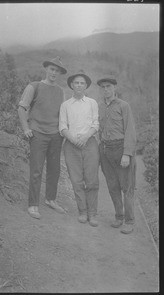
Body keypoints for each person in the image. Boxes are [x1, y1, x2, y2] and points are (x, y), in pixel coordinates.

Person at [18, 56, 67, 219]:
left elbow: (63, 115)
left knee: (54, 169)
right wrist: (26, 128)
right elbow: (21, 108)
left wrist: (63, 132)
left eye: (57, 71)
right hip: (38, 133)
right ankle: (33, 205)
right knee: (36, 170)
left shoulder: (61, 91)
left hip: (55, 135)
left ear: (60, 73)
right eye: (52, 69)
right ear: (46, 69)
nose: (54, 73)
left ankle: (50, 199)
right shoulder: (34, 86)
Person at [59, 70, 99, 227]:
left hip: (89, 144)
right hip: (71, 145)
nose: (79, 85)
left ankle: (92, 214)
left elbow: (96, 124)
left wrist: (85, 137)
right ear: (71, 85)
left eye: (82, 83)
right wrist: (74, 139)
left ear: (86, 86)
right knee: (76, 181)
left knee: (92, 180)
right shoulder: (65, 105)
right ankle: (82, 211)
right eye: (76, 82)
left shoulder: (92, 103)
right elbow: (62, 127)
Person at [97, 74, 137, 234]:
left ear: (115, 88)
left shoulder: (123, 105)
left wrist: (127, 154)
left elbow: (130, 131)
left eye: (109, 87)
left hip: (121, 149)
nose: (106, 89)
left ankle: (129, 220)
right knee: (112, 186)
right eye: (103, 87)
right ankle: (119, 216)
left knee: (127, 187)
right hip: (105, 150)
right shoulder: (99, 106)